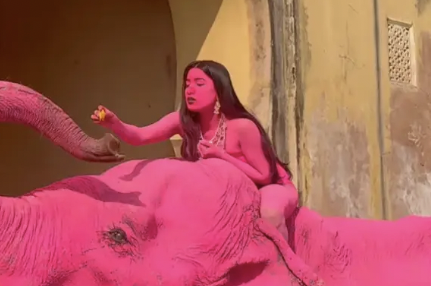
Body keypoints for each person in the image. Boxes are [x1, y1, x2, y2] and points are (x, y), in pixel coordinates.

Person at [91, 60, 298, 240]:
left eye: (199, 84)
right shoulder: (182, 122)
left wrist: (221, 156)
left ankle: (285, 269)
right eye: (187, 84)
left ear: (219, 91)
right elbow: (140, 137)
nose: (190, 90)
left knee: (270, 214)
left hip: (268, 187)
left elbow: (264, 176)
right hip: (225, 194)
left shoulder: (242, 126)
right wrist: (114, 123)